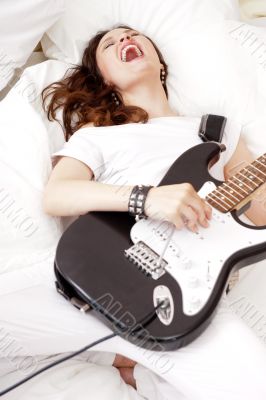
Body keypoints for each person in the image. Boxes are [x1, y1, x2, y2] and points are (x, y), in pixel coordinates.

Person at [2, 25, 265, 400]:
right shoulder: (98, 134)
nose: (125, 40)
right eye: (110, 44)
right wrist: (147, 199)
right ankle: (121, 355)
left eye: (132, 35)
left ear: (160, 62)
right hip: (92, 281)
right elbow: (58, 195)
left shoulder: (218, 131)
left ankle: (141, 362)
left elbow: (259, 216)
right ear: (104, 80)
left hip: (191, 304)